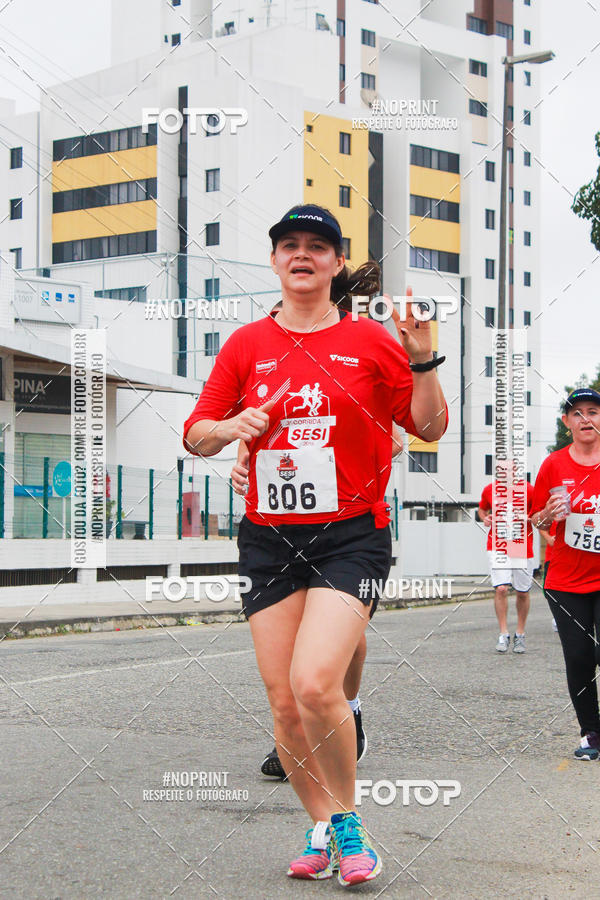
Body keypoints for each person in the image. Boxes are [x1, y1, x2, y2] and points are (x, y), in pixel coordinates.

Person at [183, 203, 448, 885]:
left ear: (335, 263)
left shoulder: (371, 342)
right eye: (289, 245)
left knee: (314, 683)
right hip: (268, 538)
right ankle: (322, 822)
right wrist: (230, 427)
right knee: (283, 704)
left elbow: (429, 428)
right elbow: (196, 431)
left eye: (317, 246)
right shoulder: (245, 345)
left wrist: (422, 360)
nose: (302, 255)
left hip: (350, 537)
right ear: (275, 260)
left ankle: (351, 824)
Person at [231, 428, 404, 779]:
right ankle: (301, 734)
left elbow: (397, 440)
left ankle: (349, 708)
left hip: (346, 531)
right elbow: (252, 438)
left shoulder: (353, 376)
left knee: (347, 641)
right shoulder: (272, 380)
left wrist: (333, 456)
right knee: (292, 643)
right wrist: (241, 464)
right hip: (279, 532)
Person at [531, 388, 600, 760]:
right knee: (578, 657)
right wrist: (548, 513)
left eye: (593, 411)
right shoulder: (554, 465)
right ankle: (591, 732)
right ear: (567, 422)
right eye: (578, 413)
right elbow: (535, 519)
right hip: (566, 580)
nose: (586, 419)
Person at [478, 471, 535, 653]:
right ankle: (503, 633)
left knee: (522, 593)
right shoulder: (490, 489)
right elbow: (482, 509)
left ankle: (520, 633)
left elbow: (539, 512)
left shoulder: (528, 490)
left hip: (521, 545)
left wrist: (528, 517)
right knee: (501, 588)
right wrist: (485, 518)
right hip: (498, 544)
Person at [539, 520, 558, 630]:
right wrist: (548, 538)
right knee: (548, 591)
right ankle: (557, 615)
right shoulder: (554, 505)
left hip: (574, 558)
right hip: (552, 557)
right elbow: (540, 524)